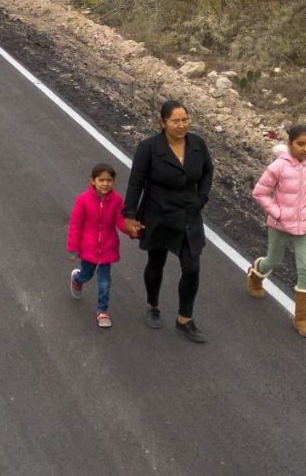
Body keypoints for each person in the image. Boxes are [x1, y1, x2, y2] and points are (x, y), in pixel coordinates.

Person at [123, 100, 215, 343]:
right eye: (176, 120)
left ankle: (185, 319)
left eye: (185, 119)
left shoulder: (197, 145)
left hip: (188, 215)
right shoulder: (149, 148)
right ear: (162, 122)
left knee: (192, 267)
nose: (182, 125)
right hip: (158, 214)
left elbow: (207, 172)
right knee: (156, 262)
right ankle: (152, 306)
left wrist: (202, 197)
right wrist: (130, 215)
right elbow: (136, 183)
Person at [246, 124, 306, 338]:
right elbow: (260, 192)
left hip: (304, 226)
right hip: (280, 224)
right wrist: (277, 213)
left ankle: (301, 318)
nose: (305, 148)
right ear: (290, 143)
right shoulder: (278, 167)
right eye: (300, 144)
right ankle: (256, 274)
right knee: (273, 261)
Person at [68, 163, 129, 328]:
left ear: (113, 182)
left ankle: (102, 310)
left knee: (104, 282)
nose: (105, 183)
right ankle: (77, 278)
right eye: (101, 180)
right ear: (93, 181)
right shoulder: (83, 200)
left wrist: (131, 230)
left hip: (107, 249)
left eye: (109, 180)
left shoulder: (117, 201)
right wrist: (73, 248)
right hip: (88, 249)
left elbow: (121, 221)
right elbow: (76, 225)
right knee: (86, 275)